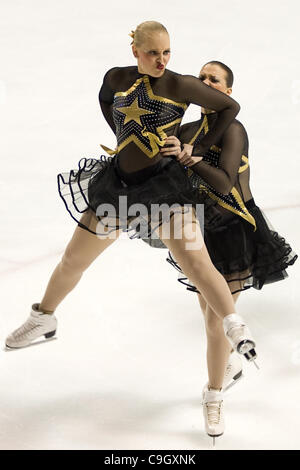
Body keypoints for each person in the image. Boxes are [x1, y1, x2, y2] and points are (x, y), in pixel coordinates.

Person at [5, 22, 257, 444]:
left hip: (164, 188)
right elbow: (108, 103)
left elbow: (230, 110)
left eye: (168, 53)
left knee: (195, 260)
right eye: (154, 53)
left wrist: (194, 148)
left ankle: (235, 327)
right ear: (136, 50)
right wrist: (125, 137)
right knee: (73, 258)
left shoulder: (180, 84)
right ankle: (42, 318)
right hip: (118, 187)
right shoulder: (117, 78)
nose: (162, 61)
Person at [157, 60, 297, 442]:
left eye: (213, 79)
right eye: (201, 78)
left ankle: (213, 394)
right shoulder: (186, 129)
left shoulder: (233, 129)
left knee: (217, 319)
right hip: (202, 230)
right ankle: (227, 368)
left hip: (236, 227)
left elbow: (223, 182)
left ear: (227, 92)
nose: (204, 83)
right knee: (209, 314)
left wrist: (191, 158)